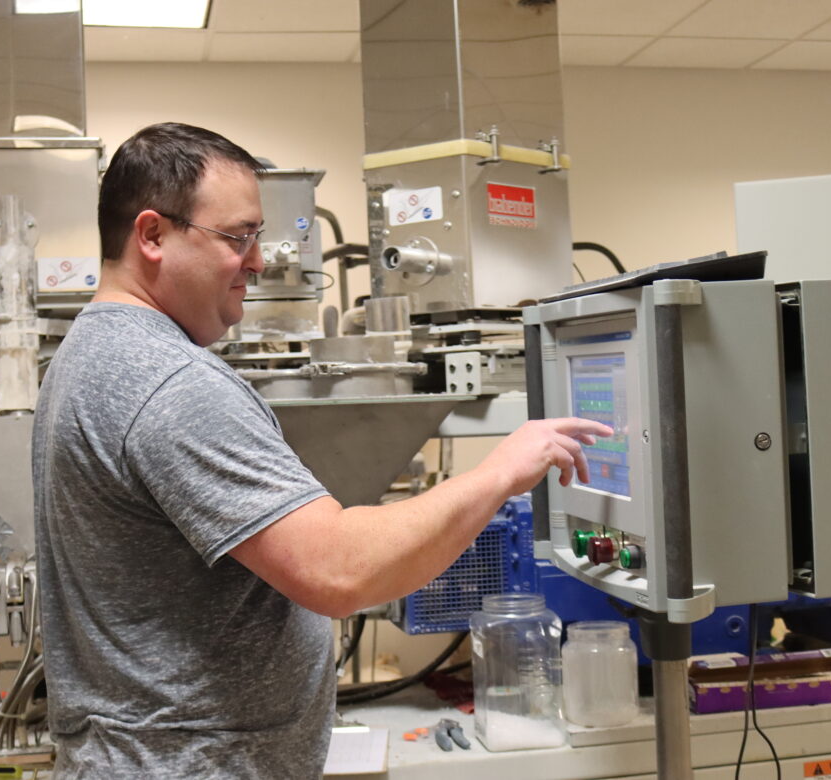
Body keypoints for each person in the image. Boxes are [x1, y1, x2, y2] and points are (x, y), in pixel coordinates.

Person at [32, 122, 611, 779]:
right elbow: (339, 571)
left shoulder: (85, 356)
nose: (255, 261)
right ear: (153, 235)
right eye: (238, 237)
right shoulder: (167, 382)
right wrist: (501, 472)